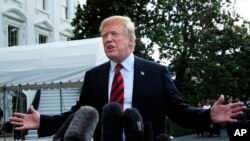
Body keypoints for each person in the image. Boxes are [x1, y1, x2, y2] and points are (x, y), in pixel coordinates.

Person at [10, 15, 246, 141]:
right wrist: (44, 122)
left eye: (114, 34)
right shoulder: (94, 76)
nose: (107, 39)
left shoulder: (157, 72)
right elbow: (79, 113)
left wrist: (209, 116)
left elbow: (179, 111)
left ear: (131, 41)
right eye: (103, 36)